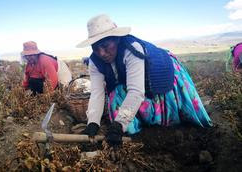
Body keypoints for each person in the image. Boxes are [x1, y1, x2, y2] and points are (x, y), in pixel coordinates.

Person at [77, 14, 212, 147]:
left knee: (132, 108)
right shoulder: (95, 61)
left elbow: (136, 91)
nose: (101, 53)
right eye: (96, 48)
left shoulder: (132, 49)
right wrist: (93, 123)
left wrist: (119, 124)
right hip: (129, 81)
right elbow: (97, 93)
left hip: (157, 74)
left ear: (117, 39)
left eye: (106, 46)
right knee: (116, 96)